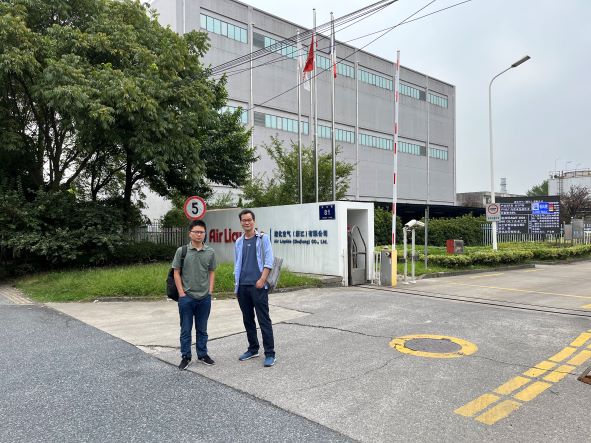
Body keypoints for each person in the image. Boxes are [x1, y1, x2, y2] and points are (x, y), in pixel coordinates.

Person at [172, 219, 217, 370]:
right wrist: (181, 293)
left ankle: (202, 354)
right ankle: (186, 356)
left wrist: (210, 291)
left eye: (201, 232)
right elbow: (176, 272)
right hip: (187, 297)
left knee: (202, 329)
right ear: (190, 233)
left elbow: (211, 271)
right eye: (196, 232)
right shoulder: (182, 251)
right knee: (186, 329)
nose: (199, 234)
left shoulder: (210, 252)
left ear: (205, 234)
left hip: (204, 297)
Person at [234, 209, 276, 367]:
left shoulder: (263, 238)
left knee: (263, 320)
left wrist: (262, 279)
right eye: (244, 220)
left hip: (258, 286)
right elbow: (237, 264)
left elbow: (269, 260)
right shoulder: (239, 242)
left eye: (249, 220)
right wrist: (237, 286)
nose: (246, 222)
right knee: (248, 320)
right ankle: (253, 349)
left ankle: (270, 353)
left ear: (254, 221)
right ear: (241, 222)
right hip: (242, 286)